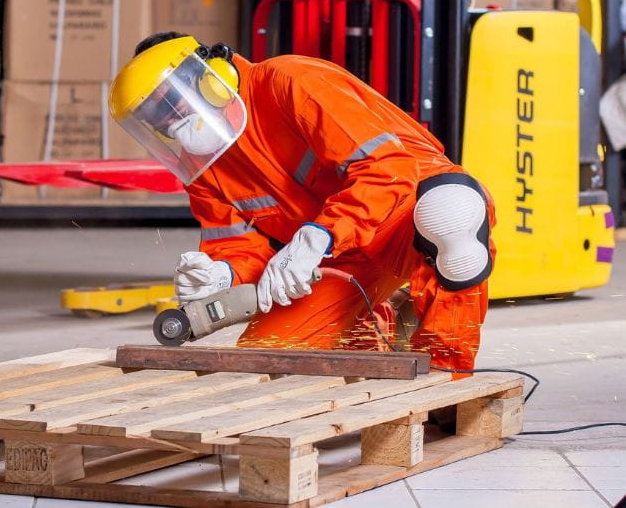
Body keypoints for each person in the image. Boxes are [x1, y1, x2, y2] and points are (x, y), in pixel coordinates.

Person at [109, 32, 496, 374]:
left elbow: (388, 171)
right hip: (335, 259)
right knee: (267, 360)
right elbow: (239, 245)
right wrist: (221, 274)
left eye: (172, 104)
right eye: (156, 118)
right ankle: (378, 328)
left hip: (405, 213)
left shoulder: (290, 81)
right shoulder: (202, 164)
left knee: (450, 212)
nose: (169, 122)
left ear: (212, 79)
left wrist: (319, 236)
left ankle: (447, 379)